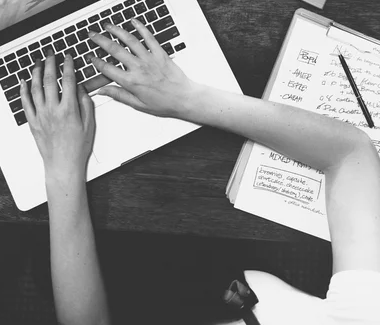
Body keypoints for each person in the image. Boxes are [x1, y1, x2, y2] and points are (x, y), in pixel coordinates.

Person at [19, 17, 380, 325]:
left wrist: (62, 168)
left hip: (140, 296)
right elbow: (351, 153)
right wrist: (187, 100)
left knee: (36, 258)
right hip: (224, 279)